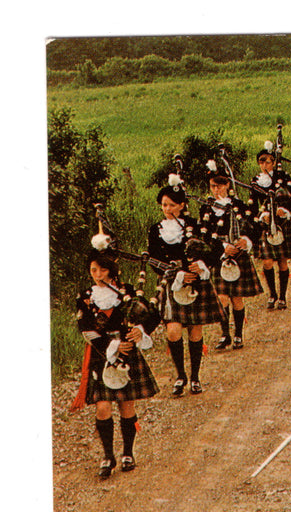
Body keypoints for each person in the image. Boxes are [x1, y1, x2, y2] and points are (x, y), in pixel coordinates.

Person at [73, 251, 160, 478]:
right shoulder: (85, 297)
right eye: (93, 270)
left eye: (102, 270)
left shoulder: (127, 292)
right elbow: (85, 329)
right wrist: (112, 346)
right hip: (102, 353)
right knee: (102, 407)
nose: (98, 275)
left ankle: (128, 453)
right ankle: (108, 456)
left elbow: (152, 315)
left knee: (126, 406)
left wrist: (139, 332)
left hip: (128, 352)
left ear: (111, 271)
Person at [147, 181, 222, 396]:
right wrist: (178, 273)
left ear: (181, 205)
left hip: (196, 283)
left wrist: (202, 266)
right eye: (164, 205)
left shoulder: (195, 225)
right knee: (173, 330)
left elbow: (213, 249)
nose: (167, 209)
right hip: (172, 282)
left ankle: (196, 377)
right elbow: (153, 260)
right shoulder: (156, 230)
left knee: (195, 331)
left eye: (171, 205)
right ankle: (180, 375)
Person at [199, 161, 263, 350]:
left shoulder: (239, 205)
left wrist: (246, 241)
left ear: (228, 184)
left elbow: (255, 226)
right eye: (212, 185)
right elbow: (203, 235)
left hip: (239, 256)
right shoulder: (207, 209)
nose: (216, 189)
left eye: (220, 184)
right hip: (220, 257)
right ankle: (225, 334)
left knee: (236, 299)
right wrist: (222, 247)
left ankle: (238, 335)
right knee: (222, 298)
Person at [248, 145, 291, 310]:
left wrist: (285, 210)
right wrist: (260, 216)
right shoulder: (256, 182)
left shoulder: (283, 176)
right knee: (267, 262)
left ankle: (283, 297)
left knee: (282, 262)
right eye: (261, 162)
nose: (265, 165)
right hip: (266, 224)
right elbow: (252, 207)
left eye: (268, 161)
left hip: (282, 223)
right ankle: (272, 294)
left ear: (273, 162)